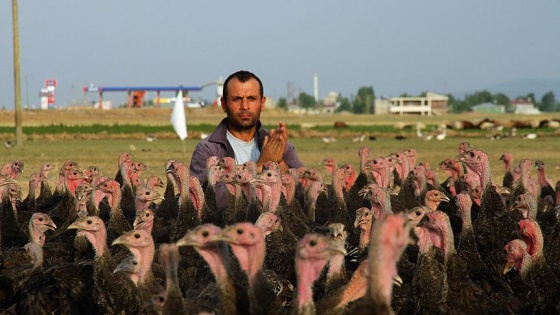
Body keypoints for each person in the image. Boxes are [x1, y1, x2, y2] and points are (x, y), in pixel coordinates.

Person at [189, 70, 304, 187]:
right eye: (237, 99)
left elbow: (304, 192)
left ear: (262, 103)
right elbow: (200, 199)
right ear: (224, 104)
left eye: (251, 98)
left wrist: (280, 163)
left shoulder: (276, 145)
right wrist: (260, 166)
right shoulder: (208, 150)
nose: (244, 106)